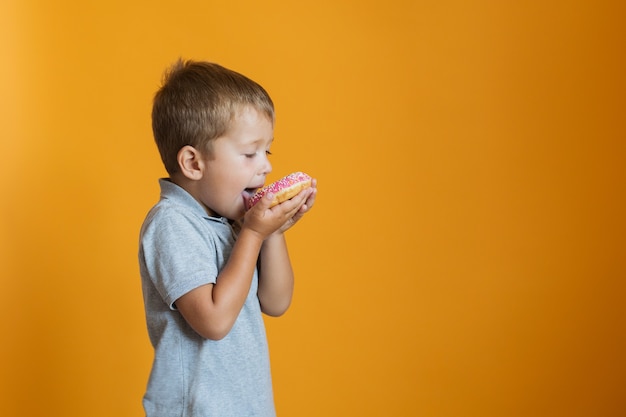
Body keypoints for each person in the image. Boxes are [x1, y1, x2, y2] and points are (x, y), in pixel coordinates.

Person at [138, 59, 317, 417]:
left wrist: (273, 233)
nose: (265, 166)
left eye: (267, 151)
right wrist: (253, 232)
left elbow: (276, 301)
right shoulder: (173, 223)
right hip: (198, 409)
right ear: (193, 163)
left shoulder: (228, 221)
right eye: (250, 153)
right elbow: (214, 321)